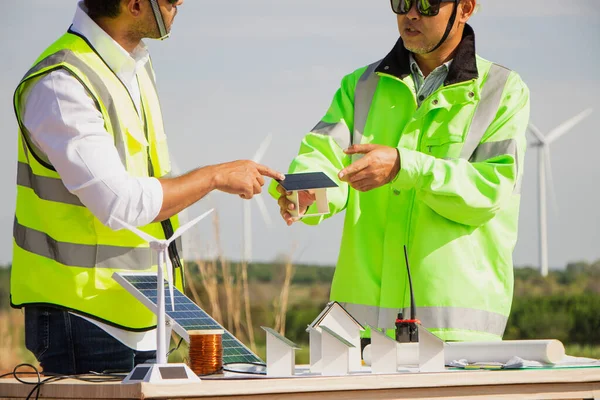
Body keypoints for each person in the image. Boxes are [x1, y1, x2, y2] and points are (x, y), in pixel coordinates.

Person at [11, 0, 283, 375]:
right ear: (135, 4)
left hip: (144, 315)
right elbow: (119, 203)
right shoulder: (61, 83)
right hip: (84, 317)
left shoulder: (132, 66)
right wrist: (213, 176)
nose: (181, 3)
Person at [272, 0, 529, 344]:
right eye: (402, 2)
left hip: (454, 338)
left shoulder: (503, 91)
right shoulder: (359, 86)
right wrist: (308, 193)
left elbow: (489, 191)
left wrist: (404, 167)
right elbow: (322, 157)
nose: (410, 14)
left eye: (426, 4)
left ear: (465, 8)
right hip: (358, 334)